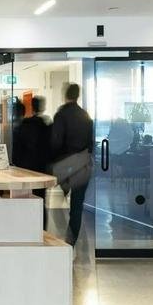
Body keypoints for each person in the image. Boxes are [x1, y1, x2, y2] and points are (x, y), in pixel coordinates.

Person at [51, 83, 94, 246]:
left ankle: (55, 237)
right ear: (78, 96)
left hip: (65, 165)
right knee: (77, 205)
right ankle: (71, 240)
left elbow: (56, 142)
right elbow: (90, 143)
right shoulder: (85, 115)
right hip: (82, 165)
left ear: (65, 95)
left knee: (56, 204)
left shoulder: (61, 115)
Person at [12, 96, 52, 229]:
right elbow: (50, 149)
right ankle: (42, 232)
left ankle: (27, 230)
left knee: (25, 202)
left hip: (25, 171)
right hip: (42, 170)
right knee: (41, 202)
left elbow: (16, 154)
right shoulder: (46, 126)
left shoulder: (22, 127)